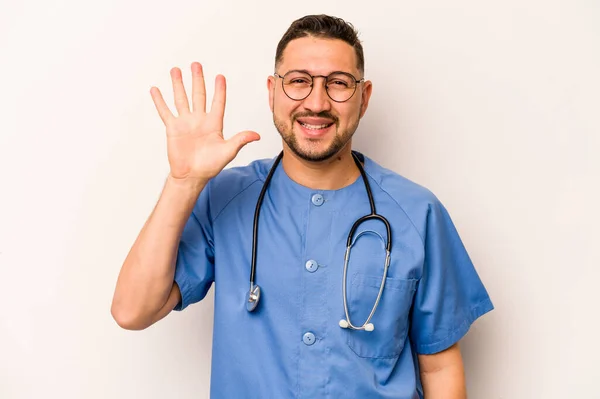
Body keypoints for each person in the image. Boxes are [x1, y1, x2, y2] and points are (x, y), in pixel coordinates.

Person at [111, 14, 493, 399]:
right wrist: (183, 183)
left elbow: (441, 366)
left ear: (364, 97)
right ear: (273, 92)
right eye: (298, 81)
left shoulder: (418, 213)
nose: (316, 102)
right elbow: (132, 311)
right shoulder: (224, 199)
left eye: (339, 84)